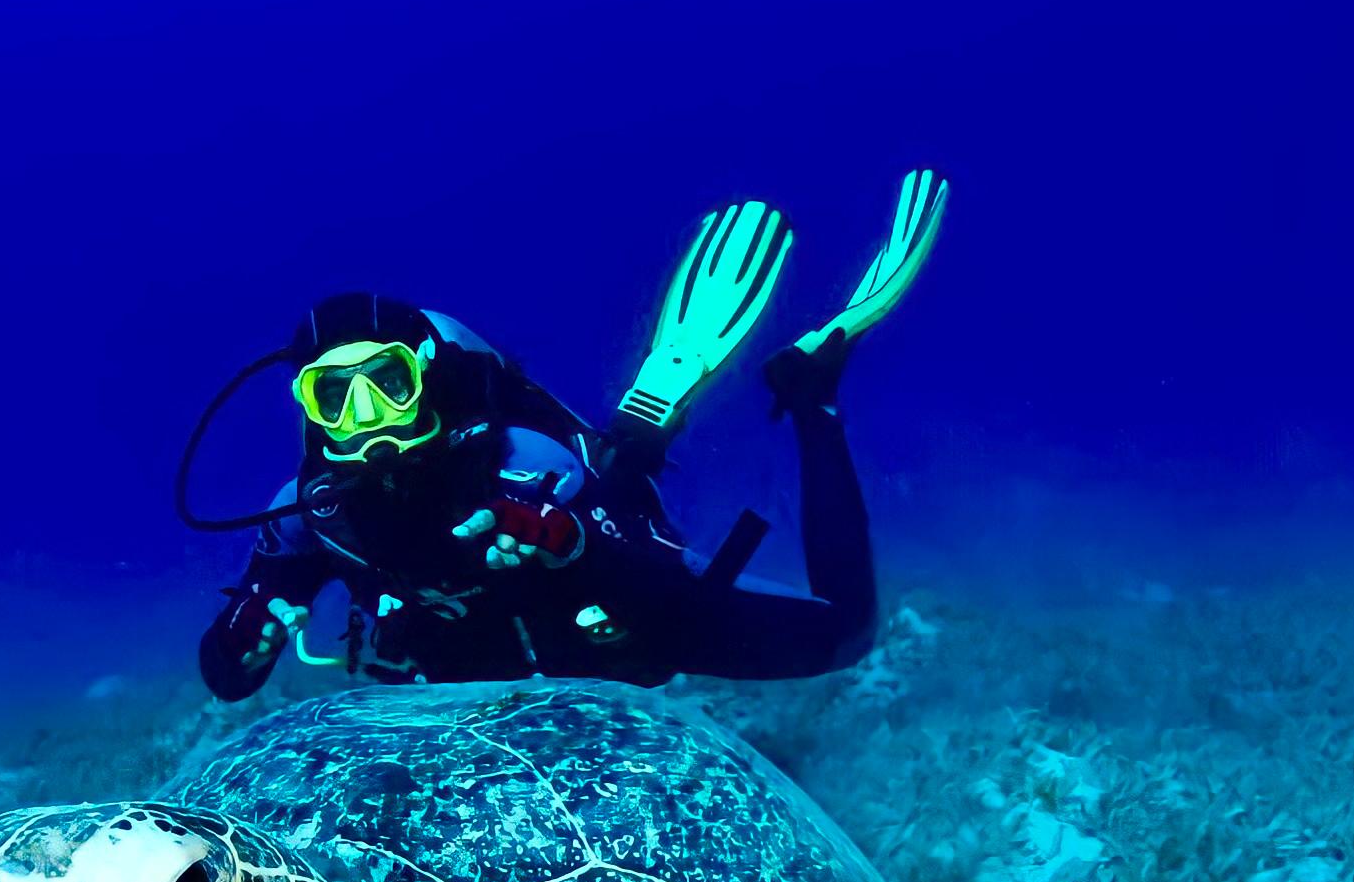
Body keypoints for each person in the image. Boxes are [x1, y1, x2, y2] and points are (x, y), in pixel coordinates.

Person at [183, 172, 947, 701]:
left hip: (613, 643)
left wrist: (570, 539)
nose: (367, 419)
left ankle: (808, 398)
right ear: (306, 408)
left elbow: (660, 574)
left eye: (386, 383)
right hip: (477, 688)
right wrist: (240, 638)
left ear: (423, 372)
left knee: (844, 637)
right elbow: (227, 677)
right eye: (334, 397)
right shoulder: (310, 513)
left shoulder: (522, 465)